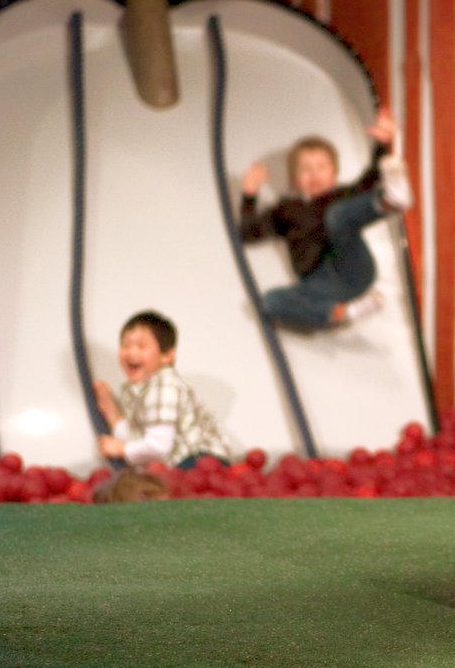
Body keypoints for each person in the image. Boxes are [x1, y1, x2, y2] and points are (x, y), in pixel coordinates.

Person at [240, 107, 412, 329]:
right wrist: (249, 195)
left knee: (337, 214)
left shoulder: (341, 196)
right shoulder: (285, 210)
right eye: (305, 169)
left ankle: (390, 201)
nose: (314, 174)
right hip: (321, 282)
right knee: (269, 302)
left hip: (352, 266)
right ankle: (342, 312)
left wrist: (382, 143)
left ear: (334, 173)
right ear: (294, 179)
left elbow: (371, 178)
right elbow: (247, 233)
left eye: (321, 167)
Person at [94, 311, 231, 470]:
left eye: (141, 346)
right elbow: (139, 439)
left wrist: (121, 449)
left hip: (199, 460)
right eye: (125, 345)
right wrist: (114, 415)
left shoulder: (165, 383)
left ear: (166, 356)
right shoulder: (136, 390)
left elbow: (158, 446)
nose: (131, 352)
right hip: (180, 464)